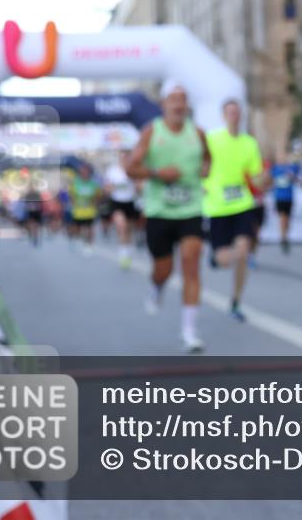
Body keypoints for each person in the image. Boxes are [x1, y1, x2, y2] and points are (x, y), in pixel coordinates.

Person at [127, 81, 211, 353]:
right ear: (163, 104)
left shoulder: (197, 133)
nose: (178, 104)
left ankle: (189, 332)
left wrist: (205, 170)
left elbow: (208, 159)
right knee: (164, 269)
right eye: (173, 99)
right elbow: (132, 167)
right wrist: (157, 174)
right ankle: (157, 287)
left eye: (183, 99)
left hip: (190, 209)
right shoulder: (152, 132)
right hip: (159, 211)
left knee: (191, 262)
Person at [202, 99, 267, 321]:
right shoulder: (212, 139)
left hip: (242, 204)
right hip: (218, 207)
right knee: (224, 259)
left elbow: (256, 176)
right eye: (230, 112)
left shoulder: (249, 143)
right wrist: (201, 183)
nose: (234, 116)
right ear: (223, 115)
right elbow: (200, 166)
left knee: (243, 251)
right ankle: (215, 258)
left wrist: (264, 180)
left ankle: (236, 301)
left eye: (237, 112)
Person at [104, 150, 140, 269]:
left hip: (130, 202)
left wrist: (136, 184)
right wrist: (111, 188)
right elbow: (107, 188)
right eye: (123, 157)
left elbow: (139, 188)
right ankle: (123, 253)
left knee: (128, 230)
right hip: (117, 202)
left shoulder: (134, 170)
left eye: (127, 157)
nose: (125, 159)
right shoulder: (112, 171)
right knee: (122, 226)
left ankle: (127, 250)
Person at [271, 150, 300, 254]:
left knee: (287, 219)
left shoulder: (293, 168)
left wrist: (292, 177)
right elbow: (271, 180)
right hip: (279, 197)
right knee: (282, 217)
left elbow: (298, 179)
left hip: (289, 197)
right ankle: (283, 238)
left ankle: (285, 236)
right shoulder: (275, 168)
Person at [70, 163, 102, 255]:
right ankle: (78, 240)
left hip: (90, 211)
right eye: (82, 172)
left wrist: (95, 202)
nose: (84, 173)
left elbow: (98, 195)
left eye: (86, 172)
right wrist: (75, 203)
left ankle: (89, 245)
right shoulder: (75, 183)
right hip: (78, 211)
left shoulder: (93, 183)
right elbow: (71, 195)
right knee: (77, 229)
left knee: (90, 228)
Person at [23, 183, 44, 247]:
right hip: (31, 211)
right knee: (31, 224)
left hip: (36, 211)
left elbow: (40, 202)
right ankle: (32, 235)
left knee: (35, 225)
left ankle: (34, 236)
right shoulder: (28, 195)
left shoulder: (36, 194)